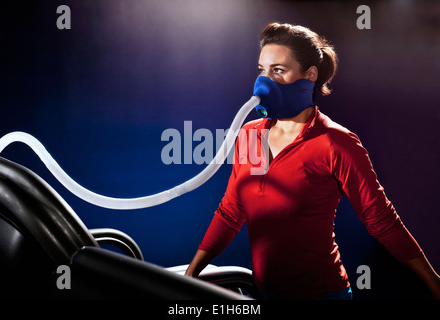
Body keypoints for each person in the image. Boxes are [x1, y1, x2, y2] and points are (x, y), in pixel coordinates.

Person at [185, 23, 440, 300]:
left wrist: (434, 284)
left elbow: (381, 219)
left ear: (309, 75)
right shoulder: (251, 135)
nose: (265, 81)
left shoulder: (335, 143)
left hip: (322, 295)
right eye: (262, 70)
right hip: (264, 294)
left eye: (278, 70)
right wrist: (189, 277)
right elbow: (231, 212)